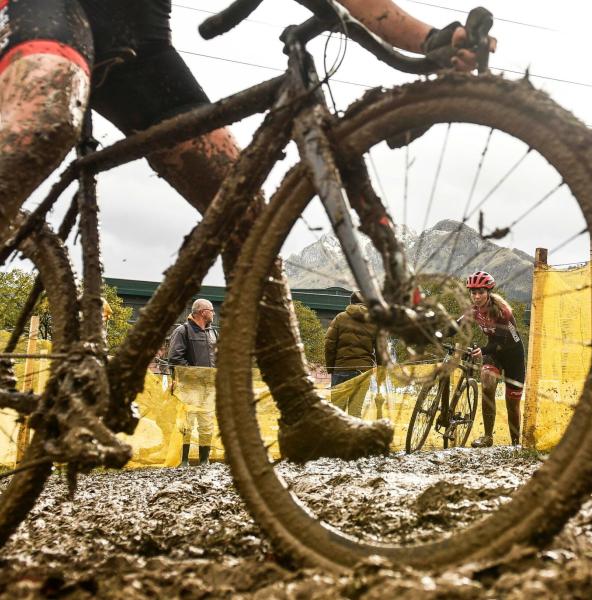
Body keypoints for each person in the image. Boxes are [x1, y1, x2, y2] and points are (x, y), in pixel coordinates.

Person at [0, 0, 494, 463]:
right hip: (48, 8)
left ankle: (300, 410)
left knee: (244, 213)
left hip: (138, 47)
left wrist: (432, 39)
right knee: (45, 116)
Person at [459, 271, 525, 447]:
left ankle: (515, 444)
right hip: (494, 353)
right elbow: (456, 325)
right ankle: (488, 437)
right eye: (473, 293)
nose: (477, 296)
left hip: (513, 355)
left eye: (480, 292)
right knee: (487, 384)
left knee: (512, 403)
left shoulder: (503, 312)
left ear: (488, 292)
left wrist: (482, 350)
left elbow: (503, 342)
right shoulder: (474, 310)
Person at [167, 298, 217, 466]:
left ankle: (204, 461)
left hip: (209, 389)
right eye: (211, 310)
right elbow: (175, 358)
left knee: (207, 424)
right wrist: (195, 375)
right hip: (189, 388)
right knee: (187, 423)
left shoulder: (212, 333)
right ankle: (184, 461)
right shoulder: (183, 331)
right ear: (203, 312)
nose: (214, 313)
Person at [325, 291, 380, 417]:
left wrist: (331, 368)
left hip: (341, 368)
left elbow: (329, 344)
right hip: (363, 370)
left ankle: (336, 436)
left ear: (351, 302)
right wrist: (381, 368)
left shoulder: (340, 318)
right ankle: (353, 436)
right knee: (355, 412)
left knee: (337, 412)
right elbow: (381, 349)